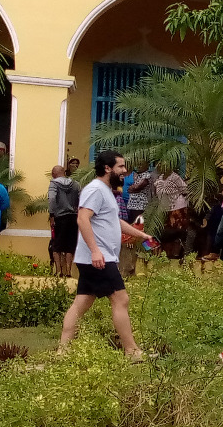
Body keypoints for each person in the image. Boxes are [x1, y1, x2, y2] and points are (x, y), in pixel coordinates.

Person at [58, 151, 157, 360]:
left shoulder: (106, 191)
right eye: (121, 167)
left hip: (97, 258)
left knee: (81, 303)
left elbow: (114, 221)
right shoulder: (95, 189)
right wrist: (95, 251)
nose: (124, 171)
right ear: (107, 168)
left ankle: (63, 351)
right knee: (121, 299)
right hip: (99, 259)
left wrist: (141, 235)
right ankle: (131, 351)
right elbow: (83, 220)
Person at [152, 162, 192, 259]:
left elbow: (186, 191)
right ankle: (162, 255)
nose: (162, 167)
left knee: (177, 233)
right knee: (161, 233)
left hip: (177, 210)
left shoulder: (176, 177)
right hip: (164, 210)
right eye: (161, 165)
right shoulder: (160, 178)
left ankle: (178, 256)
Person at [48, 162, 81, 277]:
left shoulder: (53, 184)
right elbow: (80, 198)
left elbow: (52, 199)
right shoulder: (75, 184)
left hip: (59, 217)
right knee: (70, 245)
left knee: (57, 244)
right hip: (73, 217)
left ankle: (58, 271)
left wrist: (52, 215)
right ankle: (68, 271)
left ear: (54, 174)